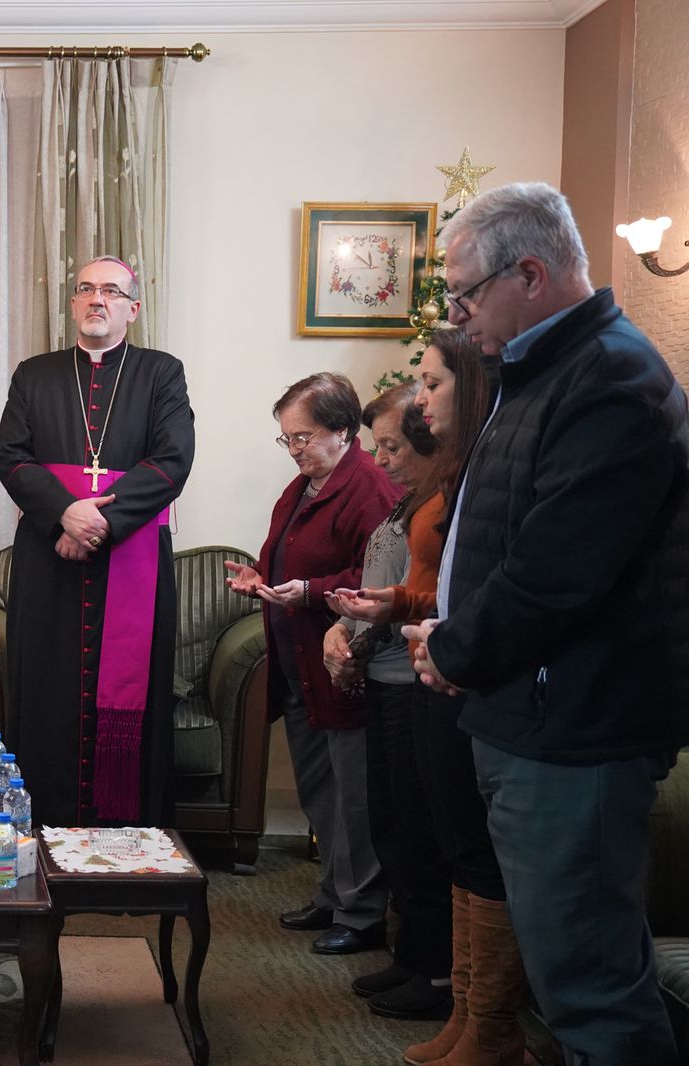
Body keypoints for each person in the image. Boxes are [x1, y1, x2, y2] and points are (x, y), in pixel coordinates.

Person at [405, 182, 688, 1064]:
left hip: (578, 731)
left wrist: (457, 648)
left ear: (529, 273)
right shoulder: (540, 371)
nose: (460, 314)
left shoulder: (610, 377)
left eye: (465, 294)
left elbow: (556, 572)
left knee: (592, 992)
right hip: (529, 715)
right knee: (572, 987)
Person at [330, 331, 524, 1062]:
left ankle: (467, 1005)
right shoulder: (445, 481)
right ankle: (462, 1009)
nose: (424, 398)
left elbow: (467, 589)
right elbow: (431, 586)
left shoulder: (462, 481)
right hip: (423, 665)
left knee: (451, 844)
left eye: (434, 384)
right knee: (419, 832)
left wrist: (395, 613)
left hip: (445, 673)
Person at [0, 256, 195, 830]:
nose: (96, 299)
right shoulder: (34, 374)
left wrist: (97, 524)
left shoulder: (162, 373)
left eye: (111, 291)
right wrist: (64, 514)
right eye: (86, 290)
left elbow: (173, 459)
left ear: (132, 308)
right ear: (73, 303)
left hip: (131, 558)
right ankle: (43, 833)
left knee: (134, 702)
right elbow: (12, 459)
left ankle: (126, 835)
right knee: (45, 694)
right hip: (47, 557)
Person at [224, 372, 401, 955]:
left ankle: (362, 913)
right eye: (287, 439)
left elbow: (379, 579)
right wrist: (262, 580)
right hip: (300, 664)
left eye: (303, 437)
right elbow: (287, 561)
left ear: (344, 431)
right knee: (320, 790)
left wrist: (307, 591)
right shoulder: (304, 485)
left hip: (343, 665)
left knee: (354, 796)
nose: (295, 449)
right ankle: (332, 897)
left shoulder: (369, 488)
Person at [322, 383, 452, 1021]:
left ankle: (436, 973)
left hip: (415, 682)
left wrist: (375, 613)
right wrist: (351, 617)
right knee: (393, 827)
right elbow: (388, 583)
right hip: (385, 677)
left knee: (420, 832)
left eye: (394, 445)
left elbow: (430, 595)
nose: (385, 459)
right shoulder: (408, 501)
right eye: (380, 446)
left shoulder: (442, 504)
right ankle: (411, 957)